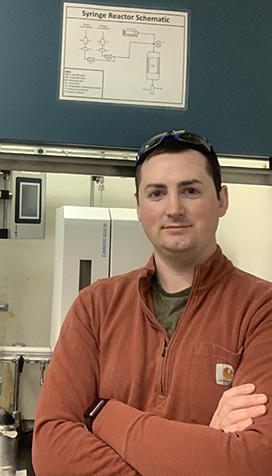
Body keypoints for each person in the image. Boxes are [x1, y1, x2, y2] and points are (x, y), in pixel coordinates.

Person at [32, 130, 272, 476]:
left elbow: (255, 461)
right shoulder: (96, 306)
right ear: (140, 207)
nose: (174, 209)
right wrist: (207, 445)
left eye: (190, 190)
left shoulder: (261, 310)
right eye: (157, 193)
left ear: (221, 200)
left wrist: (104, 415)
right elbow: (51, 450)